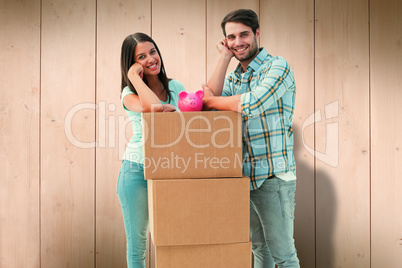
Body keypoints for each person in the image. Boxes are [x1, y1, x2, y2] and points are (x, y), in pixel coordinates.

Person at [202, 9, 300, 268]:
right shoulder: (236, 76)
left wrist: (213, 100)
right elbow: (209, 105)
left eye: (244, 34)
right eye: (230, 38)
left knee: (284, 256)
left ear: (257, 33)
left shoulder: (277, 66)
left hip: (273, 178)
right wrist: (224, 58)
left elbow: (252, 103)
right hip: (246, 177)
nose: (238, 42)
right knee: (259, 250)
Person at [117, 32, 185, 268]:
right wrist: (134, 79)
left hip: (171, 170)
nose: (151, 59)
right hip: (136, 172)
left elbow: (186, 123)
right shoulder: (129, 94)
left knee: (174, 239)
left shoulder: (175, 87)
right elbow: (151, 108)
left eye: (153, 52)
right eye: (141, 57)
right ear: (133, 64)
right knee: (138, 246)